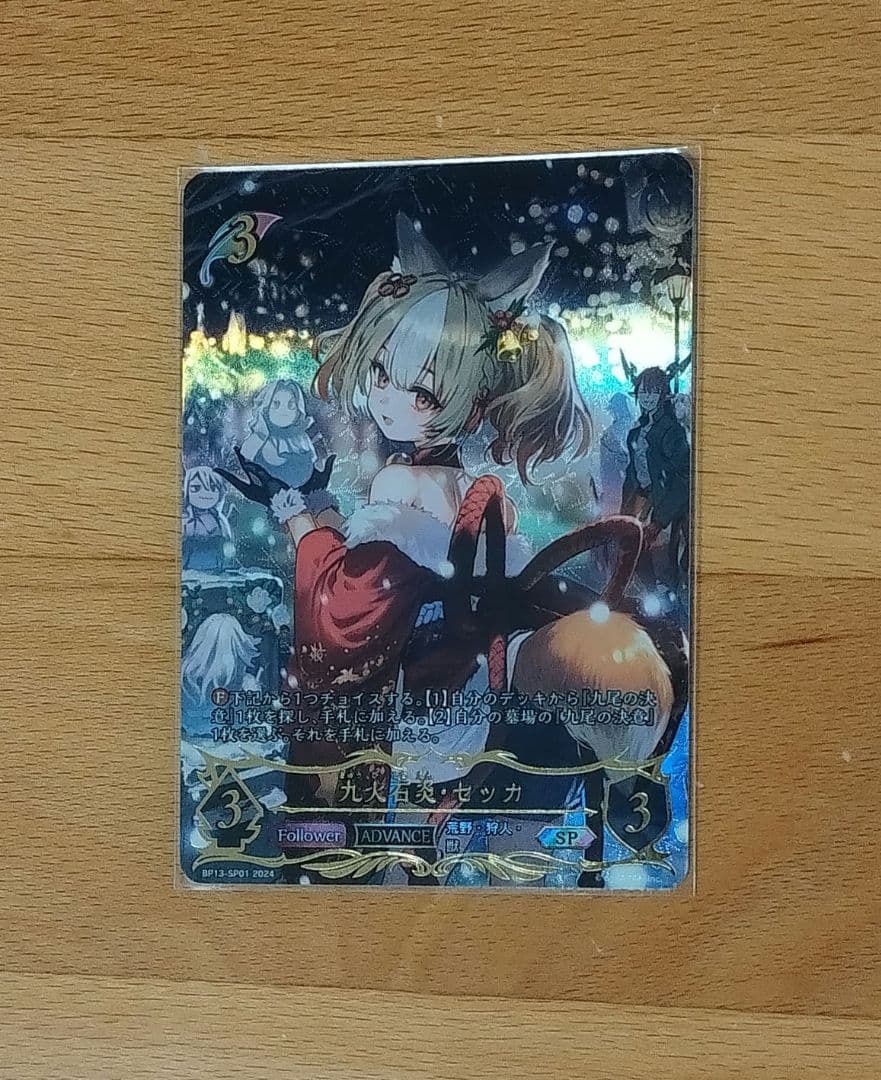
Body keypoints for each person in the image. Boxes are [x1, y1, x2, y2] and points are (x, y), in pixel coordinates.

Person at [223, 214, 679, 884]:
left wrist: (298, 518)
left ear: (472, 403)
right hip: (476, 668)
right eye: (381, 374)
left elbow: (344, 602)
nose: (387, 399)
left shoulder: (398, 483)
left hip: (425, 683)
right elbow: (440, 564)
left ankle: (366, 853)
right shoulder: (479, 490)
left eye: (420, 391)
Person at [621, 367, 690, 589]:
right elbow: (633, 469)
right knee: (632, 548)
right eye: (643, 391)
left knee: (664, 558)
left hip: (665, 503)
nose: (647, 397)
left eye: (653, 392)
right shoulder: (636, 430)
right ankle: (650, 590)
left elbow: (683, 478)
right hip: (640, 498)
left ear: (663, 394)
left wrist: (659, 521)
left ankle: (666, 590)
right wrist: (627, 505)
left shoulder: (672, 431)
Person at [182, 466, 233, 571]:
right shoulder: (186, 518)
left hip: (214, 565)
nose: (205, 494)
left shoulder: (218, 518)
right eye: (196, 488)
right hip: (190, 566)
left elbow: (226, 541)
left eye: (213, 488)